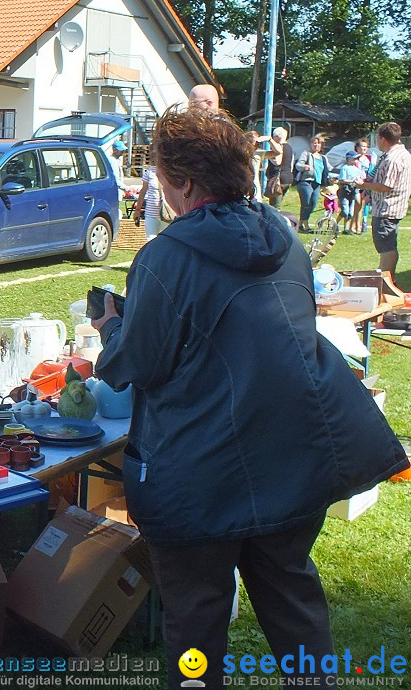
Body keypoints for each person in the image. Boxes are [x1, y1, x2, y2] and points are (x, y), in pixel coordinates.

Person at [90, 106, 407, 689]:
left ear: (184, 181)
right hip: (292, 456)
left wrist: (112, 324)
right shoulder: (282, 236)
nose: (160, 188)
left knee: (195, 623)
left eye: (161, 176)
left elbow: (135, 364)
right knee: (293, 600)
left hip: (199, 472)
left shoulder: (166, 256)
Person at [356, 122, 411, 277]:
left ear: (382, 138)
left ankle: (386, 282)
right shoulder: (403, 154)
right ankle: (387, 279)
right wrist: (370, 183)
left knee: (386, 248)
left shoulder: (391, 159)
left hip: (387, 208)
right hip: (393, 207)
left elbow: (386, 186)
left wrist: (363, 184)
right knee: (388, 246)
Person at [293, 133, 331, 232]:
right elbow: (298, 165)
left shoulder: (323, 158)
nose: (316, 145)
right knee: (306, 202)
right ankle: (304, 225)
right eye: (314, 143)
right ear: (311, 144)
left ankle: (301, 223)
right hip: (305, 181)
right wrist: (305, 167)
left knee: (313, 203)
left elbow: (329, 169)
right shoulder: (306, 154)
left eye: (318, 144)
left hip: (316, 183)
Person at [133, 164, 168, 241]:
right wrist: (137, 210)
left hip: (167, 213)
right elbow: (143, 192)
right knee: (151, 240)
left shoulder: (170, 171)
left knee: (167, 240)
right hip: (151, 213)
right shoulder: (149, 173)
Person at [263, 126, 292, 208]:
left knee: (274, 207)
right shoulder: (290, 147)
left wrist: (267, 157)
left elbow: (277, 162)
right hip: (288, 178)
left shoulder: (279, 147)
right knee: (278, 203)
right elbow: (291, 163)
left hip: (277, 180)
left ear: (276, 137)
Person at [336, 149, 362, 234]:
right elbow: (342, 180)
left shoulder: (357, 169)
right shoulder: (344, 168)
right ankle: (335, 224)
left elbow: (359, 178)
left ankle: (346, 228)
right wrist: (352, 181)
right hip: (345, 191)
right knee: (345, 211)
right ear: (348, 159)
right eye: (354, 159)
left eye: (356, 159)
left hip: (353, 191)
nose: (355, 160)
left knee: (350, 212)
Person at [351, 138, 372, 233]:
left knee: (363, 205)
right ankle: (353, 225)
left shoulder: (370, 158)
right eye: (361, 146)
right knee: (357, 205)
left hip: (366, 184)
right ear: (357, 148)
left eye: (365, 146)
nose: (363, 148)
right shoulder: (354, 158)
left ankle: (361, 226)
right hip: (355, 184)